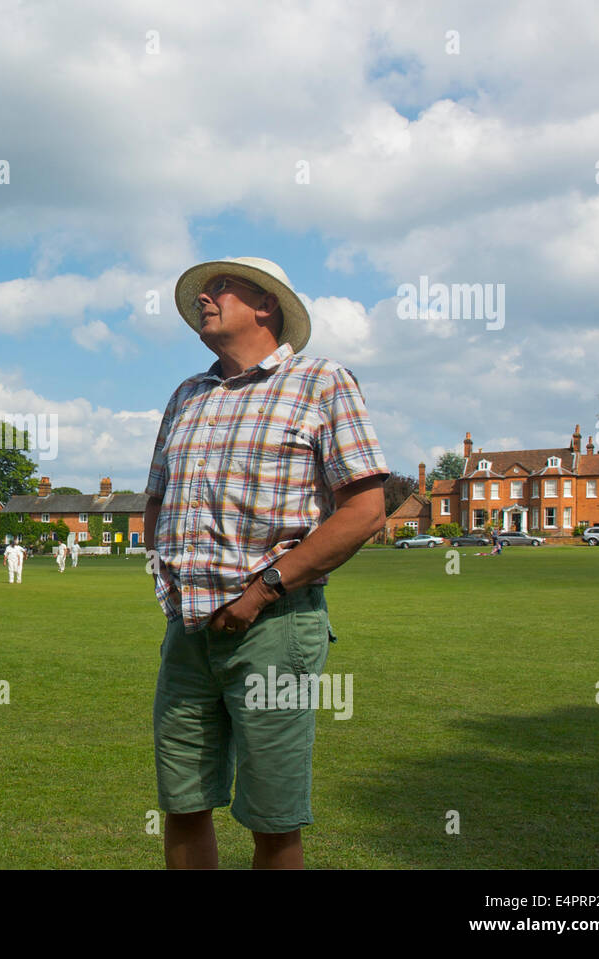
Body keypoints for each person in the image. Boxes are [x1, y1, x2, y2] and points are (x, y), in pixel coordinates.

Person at [146, 257, 388, 870]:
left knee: (272, 818)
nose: (205, 295)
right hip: (188, 632)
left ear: (266, 305)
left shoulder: (321, 382)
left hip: (275, 627)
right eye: (203, 289)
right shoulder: (186, 395)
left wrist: (259, 594)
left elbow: (364, 512)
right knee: (183, 803)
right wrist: (168, 588)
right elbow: (156, 501)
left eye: (221, 286)